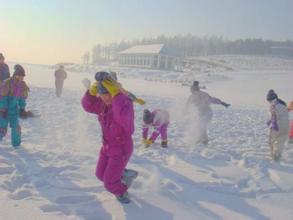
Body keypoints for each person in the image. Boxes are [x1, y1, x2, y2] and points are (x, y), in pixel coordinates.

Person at [81, 71, 136, 204]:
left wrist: (117, 95)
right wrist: (91, 93)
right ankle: (123, 174)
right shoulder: (103, 105)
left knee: (110, 183)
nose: (105, 97)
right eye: (102, 93)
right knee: (100, 175)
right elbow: (88, 106)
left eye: (108, 93)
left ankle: (122, 192)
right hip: (106, 147)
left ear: (114, 90)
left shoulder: (125, 104)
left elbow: (123, 120)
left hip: (121, 148)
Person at [0, 64, 29, 147]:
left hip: (13, 110)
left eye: (23, 76)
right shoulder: (7, 83)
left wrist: (22, 108)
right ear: (15, 75)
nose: (21, 78)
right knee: (2, 130)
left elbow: (22, 98)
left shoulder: (22, 85)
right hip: (3, 110)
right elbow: (2, 98)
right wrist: (3, 109)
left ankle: (16, 146)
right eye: (20, 76)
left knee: (16, 128)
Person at [266, 90, 289, 161]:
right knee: (280, 143)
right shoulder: (282, 104)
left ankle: (273, 157)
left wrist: (271, 123)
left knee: (271, 141)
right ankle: (277, 156)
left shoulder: (273, 104)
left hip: (277, 126)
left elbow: (274, 116)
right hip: (286, 126)